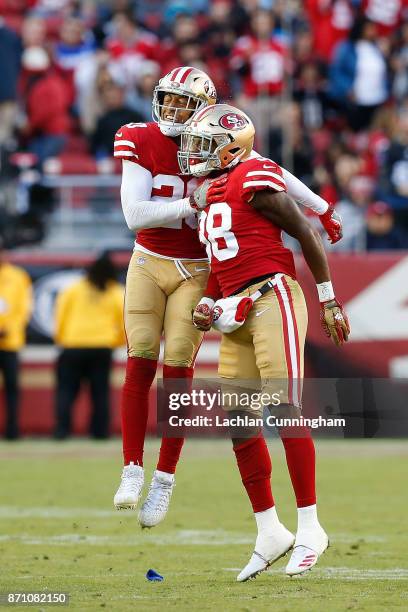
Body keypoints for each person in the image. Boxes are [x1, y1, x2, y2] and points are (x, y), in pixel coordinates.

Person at [112, 65, 343, 529]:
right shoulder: (140, 137)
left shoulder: (223, 144)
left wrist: (321, 208)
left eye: (183, 102)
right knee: (139, 356)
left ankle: (165, 477)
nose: (174, 110)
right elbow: (135, 214)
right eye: (168, 99)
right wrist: (192, 203)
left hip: (201, 267)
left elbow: (272, 170)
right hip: (149, 257)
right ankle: (132, 466)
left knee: (178, 365)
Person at [184, 104, 350, 580]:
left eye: (204, 142)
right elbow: (221, 267)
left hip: (271, 294)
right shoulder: (212, 192)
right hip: (235, 309)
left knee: (283, 409)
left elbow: (304, 231)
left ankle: (311, 526)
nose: (195, 152)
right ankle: (269, 528)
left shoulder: (253, 175)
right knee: (239, 419)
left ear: (231, 144)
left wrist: (329, 300)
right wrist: (207, 302)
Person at [53, 254, 125, 439]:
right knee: (100, 393)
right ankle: (100, 433)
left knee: (66, 392)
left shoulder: (72, 290)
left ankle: (62, 431)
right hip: (102, 347)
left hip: (72, 345)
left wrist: (62, 339)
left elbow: (60, 316)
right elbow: (124, 322)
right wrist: (115, 342)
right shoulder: (116, 291)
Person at [0, 236, 32, 439]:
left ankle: (12, 430)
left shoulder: (18, 276)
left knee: (12, 388)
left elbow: (23, 309)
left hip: (10, 342)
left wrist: (8, 329)